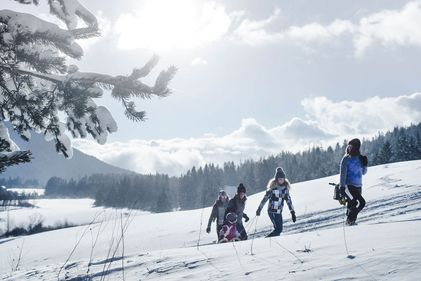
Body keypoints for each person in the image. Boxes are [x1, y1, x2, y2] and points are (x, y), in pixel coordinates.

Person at [256, 167, 296, 237]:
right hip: (272, 211)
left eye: (282, 179)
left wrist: (292, 212)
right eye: (279, 179)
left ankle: (271, 242)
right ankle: (266, 240)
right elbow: (264, 199)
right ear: (276, 179)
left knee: (279, 229)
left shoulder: (285, 189)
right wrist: (259, 209)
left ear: (284, 179)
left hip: (279, 211)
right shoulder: (272, 189)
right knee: (278, 229)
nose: (281, 180)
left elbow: (288, 201)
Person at [339, 138, 368, 225]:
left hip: (358, 186)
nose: (349, 148)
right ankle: (350, 221)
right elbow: (342, 174)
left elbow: (363, 172)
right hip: (348, 186)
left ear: (356, 148)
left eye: (351, 147)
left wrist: (365, 164)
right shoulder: (346, 159)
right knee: (359, 202)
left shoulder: (360, 158)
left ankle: (351, 221)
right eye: (348, 146)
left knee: (352, 205)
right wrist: (342, 187)